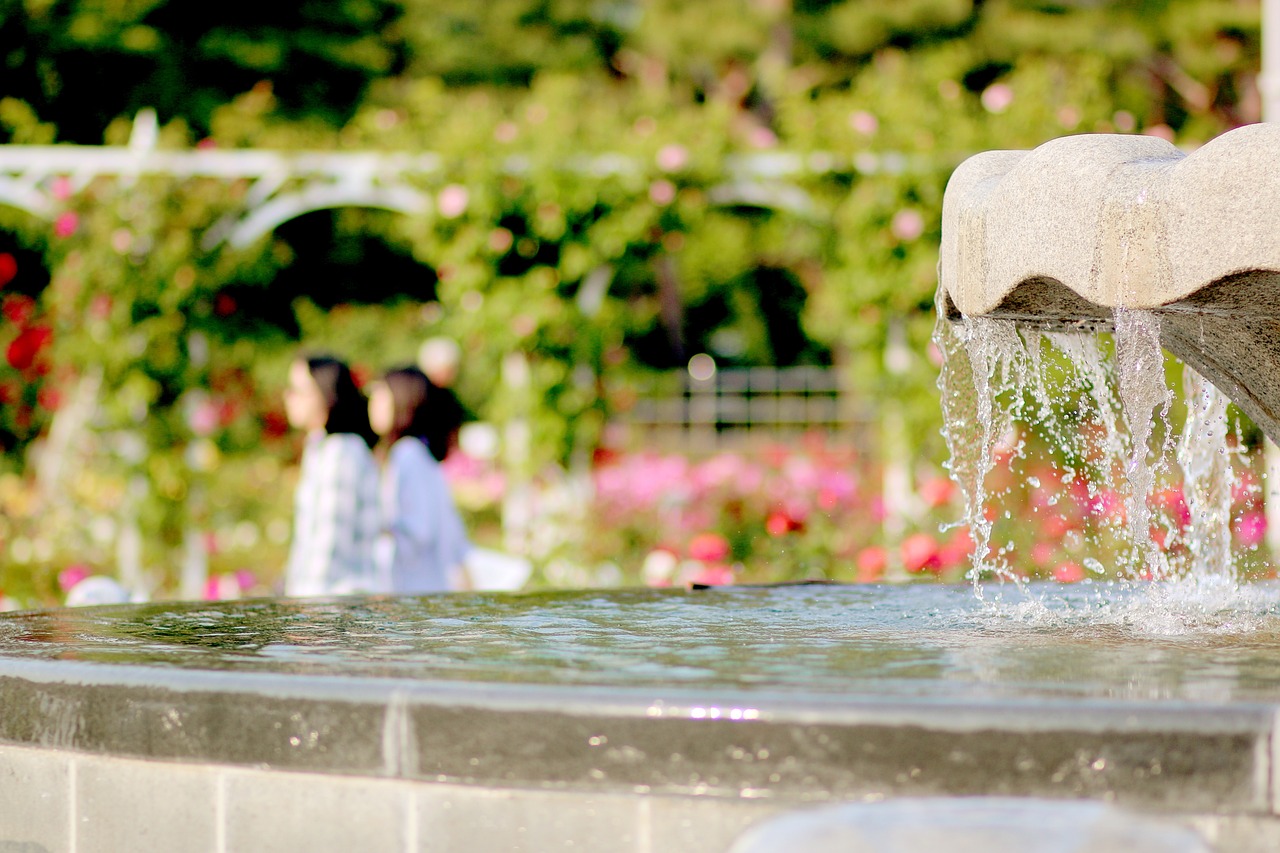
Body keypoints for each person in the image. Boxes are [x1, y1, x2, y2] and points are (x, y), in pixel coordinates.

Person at [282, 354, 382, 596]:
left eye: (297, 390)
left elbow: (331, 539)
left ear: (324, 395)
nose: (288, 397)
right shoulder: (322, 448)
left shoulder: (340, 452)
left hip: (336, 606)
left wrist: (307, 612)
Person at [368, 366, 472, 594]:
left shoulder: (407, 454)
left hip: (415, 588)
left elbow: (419, 529)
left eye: (379, 394)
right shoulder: (416, 452)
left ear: (401, 400)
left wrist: (373, 527)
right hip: (424, 586)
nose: (372, 403)